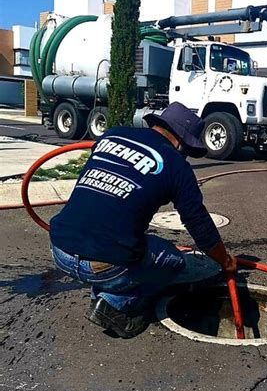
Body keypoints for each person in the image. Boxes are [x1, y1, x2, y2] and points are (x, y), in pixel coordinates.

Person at [49, 102, 236, 339]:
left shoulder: (112, 135)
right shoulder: (177, 165)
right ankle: (116, 301)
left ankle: (106, 285)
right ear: (181, 143)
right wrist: (225, 260)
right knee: (174, 261)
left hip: (59, 250)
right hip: (105, 268)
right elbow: (198, 222)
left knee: (134, 243)